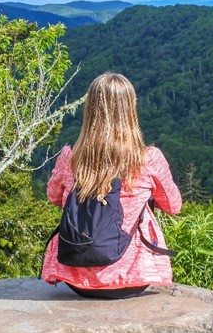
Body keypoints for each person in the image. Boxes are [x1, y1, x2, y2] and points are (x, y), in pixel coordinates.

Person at [41, 72, 182, 298]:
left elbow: (53, 196)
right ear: (130, 109)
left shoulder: (69, 158)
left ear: (90, 110)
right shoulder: (148, 159)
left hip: (76, 279)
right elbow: (174, 206)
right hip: (133, 279)